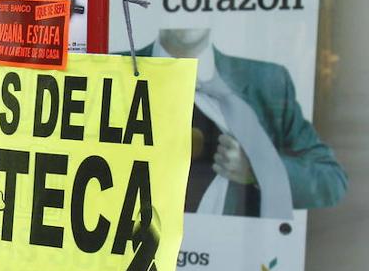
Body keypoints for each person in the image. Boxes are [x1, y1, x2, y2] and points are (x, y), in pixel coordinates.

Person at [146, 28, 347, 218]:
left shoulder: (268, 83)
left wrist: (257, 169)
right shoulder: (117, 67)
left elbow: (330, 181)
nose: (186, 14)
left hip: (235, 247)